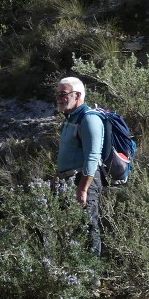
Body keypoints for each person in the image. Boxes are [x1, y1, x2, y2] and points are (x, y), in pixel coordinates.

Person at [55, 76, 104, 255]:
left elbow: (92, 157)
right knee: (72, 227)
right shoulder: (70, 118)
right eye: (57, 94)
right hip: (67, 180)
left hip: (83, 181)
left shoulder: (89, 119)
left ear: (77, 95)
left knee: (89, 225)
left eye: (63, 94)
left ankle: (93, 277)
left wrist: (83, 189)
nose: (59, 98)